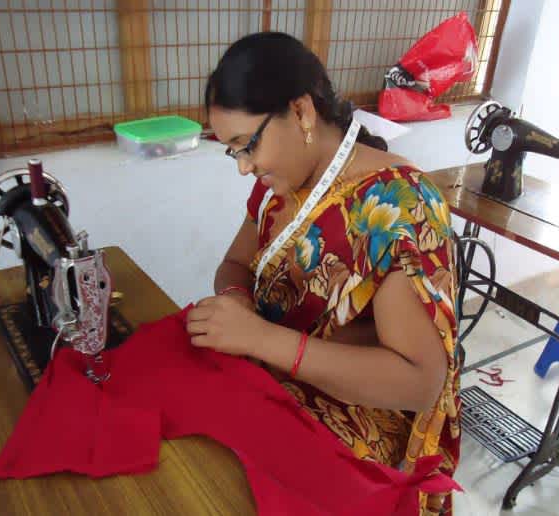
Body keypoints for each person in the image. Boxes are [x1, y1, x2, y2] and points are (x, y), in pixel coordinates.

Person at [186, 32, 460, 515]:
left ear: (301, 112)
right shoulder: (281, 190)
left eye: (245, 145)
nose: (244, 168)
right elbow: (234, 266)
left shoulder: (400, 209)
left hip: (359, 418)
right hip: (273, 379)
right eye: (233, 152)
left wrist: (260, 340)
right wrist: (237, 301)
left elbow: (419, 382)